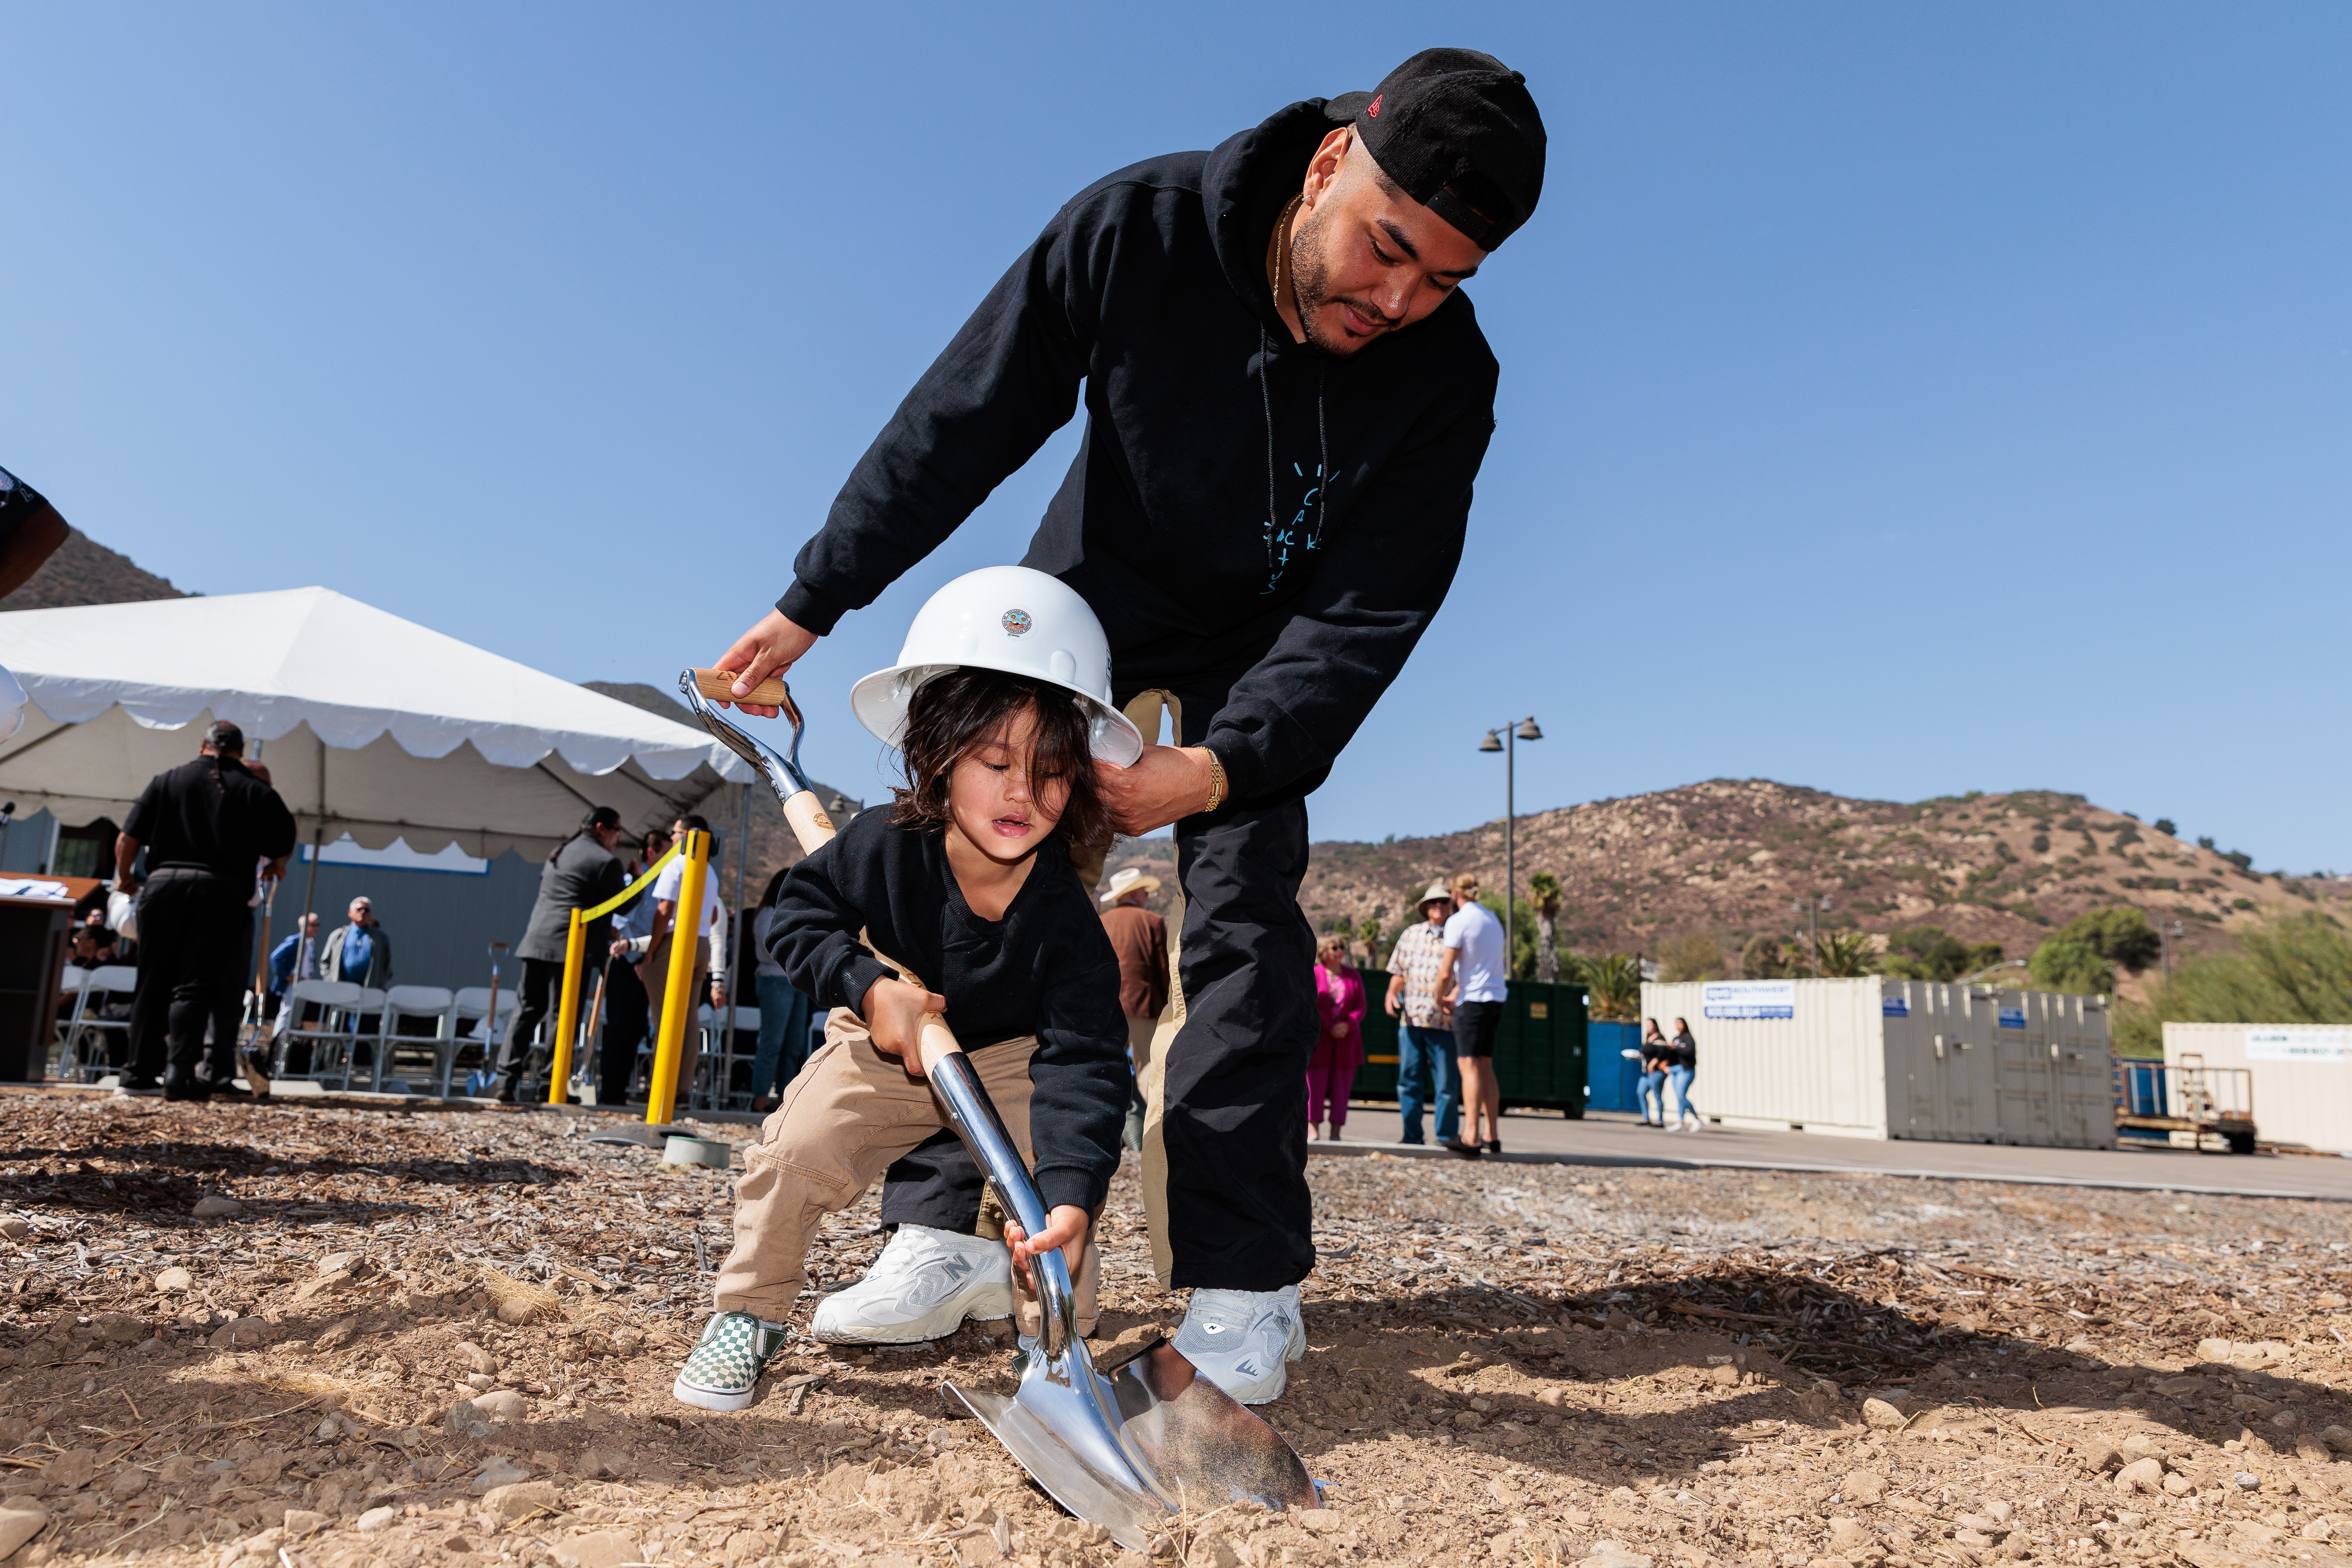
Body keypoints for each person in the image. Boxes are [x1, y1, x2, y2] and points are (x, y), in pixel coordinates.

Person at [706, 50, 1545, 1400]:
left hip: (1262, 665)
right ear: (1330, 166)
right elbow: (962, 414)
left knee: (1243, 935)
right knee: (974, 895)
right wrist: (816, 599)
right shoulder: (1139, 229)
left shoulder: (1444, 380)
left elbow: (1367, 612)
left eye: (1441, 279)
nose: (1397, 300)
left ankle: (1240, 1280)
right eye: (1388, 249)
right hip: (1088, 610)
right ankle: (946, 1231)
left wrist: (1219, 765)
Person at [674, 630, 1130, 1412]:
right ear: (941, 756)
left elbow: (1084, 1062)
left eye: (1051, 774)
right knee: (794, 1152)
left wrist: (1072, 1194)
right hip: (885, 1043)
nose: (1023, 794)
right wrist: (869, 984)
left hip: (1011, 1058)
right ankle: (748, 1314)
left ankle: (1055, 1347)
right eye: (995, 765)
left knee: (1051, 1208)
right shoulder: (882, 844)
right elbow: (797, 917)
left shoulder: (1067, 922)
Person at [114, 720, 297, 1099]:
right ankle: (180, 1073)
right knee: (194, 986)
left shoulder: (167, 780)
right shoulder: (254, 789)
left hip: (163, 884)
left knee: (152, 983)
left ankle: (137, 1076)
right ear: (240, 751)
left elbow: (127, 837)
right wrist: (277, 865)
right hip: (220, 889)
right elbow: (285, 833)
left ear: (203, 744)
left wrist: (125, 878)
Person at [637, 814, 730, 1108]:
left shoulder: (676, 864)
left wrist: (651, 949)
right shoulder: (709, 870)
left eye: (676, 833)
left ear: (688, 835)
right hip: (700, 943)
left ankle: (660, 1087)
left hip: (676, 942)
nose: (672, 837)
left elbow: (664, 911)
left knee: (664, 1018)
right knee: (688, 1020)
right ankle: (680, 1090)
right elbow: (714, 915)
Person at [1096, 866, 1169, 1151]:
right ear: (1134, 893)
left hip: (1105, 1007)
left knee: (1105, 1069)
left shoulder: (1101, 921)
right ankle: (1154, 1138)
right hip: (1144, 1005)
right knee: (1148, 1070)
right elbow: (1163, 970)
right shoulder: (1152, 921)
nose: (1148, 896)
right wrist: (1169, 1008)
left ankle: (1107, 1133)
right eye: (1145, 891)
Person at [1383, 881, 1461, 1146]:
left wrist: (1454, 996)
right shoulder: (1411, 934)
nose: (1438, 906)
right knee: (1408, 1082)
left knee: (1447, 1085)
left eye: (1443, 901)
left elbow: (1467, 977)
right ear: (1426, 908)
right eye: (1433, 902)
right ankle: (1412, 1136)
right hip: (1411, 1021)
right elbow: (1399, 972)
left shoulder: (1458, 936)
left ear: (1450, 906)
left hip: (1446, 1023)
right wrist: (1391, 994)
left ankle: (1446, 1136)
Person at [1435, 870, 1506, 1156]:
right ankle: (1492, 1134)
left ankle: (1471, 1136)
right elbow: (1485, 969)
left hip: (1472, 1003)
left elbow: (1445, 970)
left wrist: (1439, 996)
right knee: (1485, 1065)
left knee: (1468, 1066)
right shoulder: (1492, 919)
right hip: (1495, 998)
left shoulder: (1458, 921)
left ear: (1454, 894)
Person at [599, 827, 669, 1105]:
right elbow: (618, 926)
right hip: (626, 964)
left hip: (645, 963)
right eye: (665, 852)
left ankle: (621, 1090)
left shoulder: (664, 886)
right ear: (651, 852)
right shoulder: (633, 882)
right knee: (619, 1027)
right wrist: (636, 957)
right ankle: (610, 1092)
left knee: (637, 1028)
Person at [746, 865, 816, 1113]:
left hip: (795, 982)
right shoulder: (768, 912)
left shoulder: (793, 912)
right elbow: (770, 948)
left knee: (794, 1046)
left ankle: (784, 1103)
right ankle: (760, 1099)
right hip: (775, 981)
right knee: (772, 1043)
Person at [1306, 934, 1365, 1141]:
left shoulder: (1353, 976)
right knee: (1315, 1087)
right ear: (1323, 952)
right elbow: (1311, 1004)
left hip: (1346, 1041)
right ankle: (1313, 1130)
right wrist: (1330, 1027)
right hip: (1321, 1040)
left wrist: (1346, 1026)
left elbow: (1361, 1007)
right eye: (1335, 948)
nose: (1340, 951)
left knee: (1342, 1089)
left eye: (1342, 947)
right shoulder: (1314, 974)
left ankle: (1336, 1133)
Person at [319, 896, 393, 987]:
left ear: (370, 914)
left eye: (366, 910)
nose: (363, 912)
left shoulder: (380, 938)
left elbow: (387, 965)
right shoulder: (338, 936)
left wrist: (379, 982)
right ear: (350, 913)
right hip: (341, 987)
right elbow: (325, 961)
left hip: (368, 990)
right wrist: (330, 980)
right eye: (359, 909)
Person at [1667, 1015, 1702, 1134]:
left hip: (1686, 1070)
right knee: (1679, 1097)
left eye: (1680, 1024)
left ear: (1685, 1025)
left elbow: (1689, 1052)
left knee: (1682, 1096)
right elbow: (1672, 1056)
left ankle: (1697, 1119)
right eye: (1676, 1024)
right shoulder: (1676, 1038)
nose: (1678, 1026)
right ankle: (1681, 1122)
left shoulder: (1689, 1038)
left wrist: (1677, 1048)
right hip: (1675, 1070)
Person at [1636, 1017, 1670, 1128]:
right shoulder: (1648, 1038)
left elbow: (1662, 1053)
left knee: (1657, 1095)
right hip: (1646, 1073)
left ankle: (1660, 1121)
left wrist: (1653, 1063)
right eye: (1647, 1025)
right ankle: (1646, 1118)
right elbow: (1644, 1053)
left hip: (1657, 1072)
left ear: (1655, 1025)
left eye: (1650, 1025)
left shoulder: (1660, 1038)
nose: (1649, 1027)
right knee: (1641, 1092)